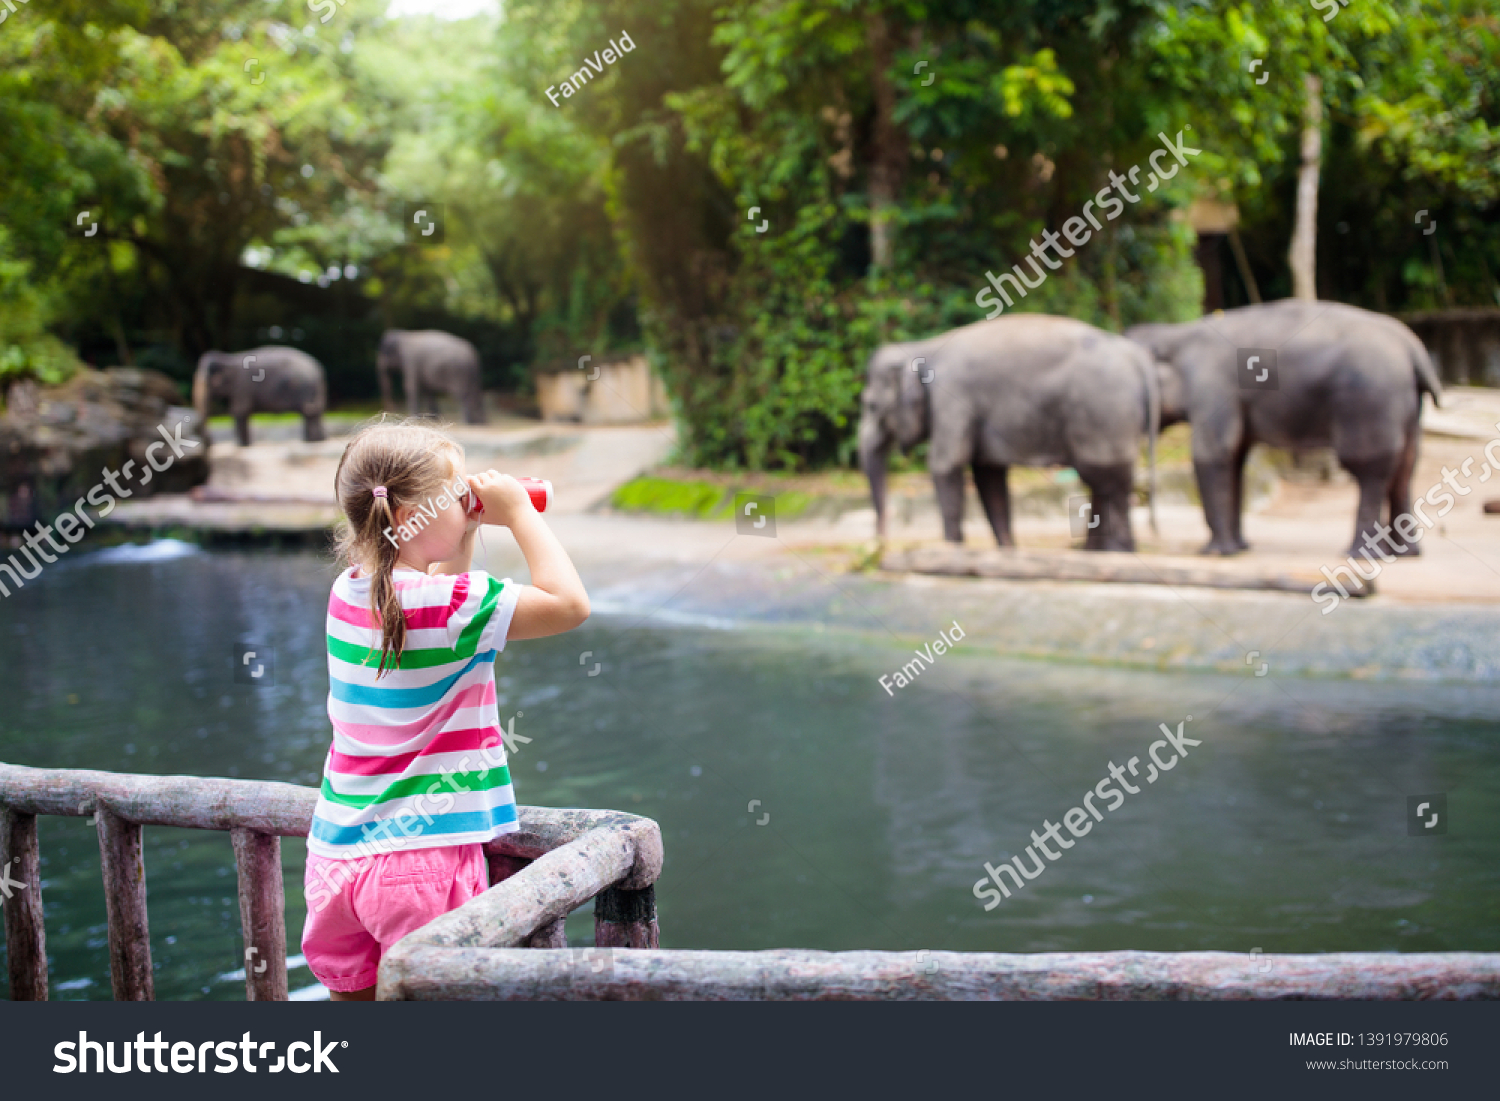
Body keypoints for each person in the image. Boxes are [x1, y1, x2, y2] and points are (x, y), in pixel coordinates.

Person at [301, 419, 588, 1000]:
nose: (469, 503)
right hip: (420, 864)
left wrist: (459, 537)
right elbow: (569, 605)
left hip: (335, 858)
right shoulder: (457, 606)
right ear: (411, 517)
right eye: (458, 495)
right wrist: (520, 514)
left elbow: (433, 626)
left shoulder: (348, 593)